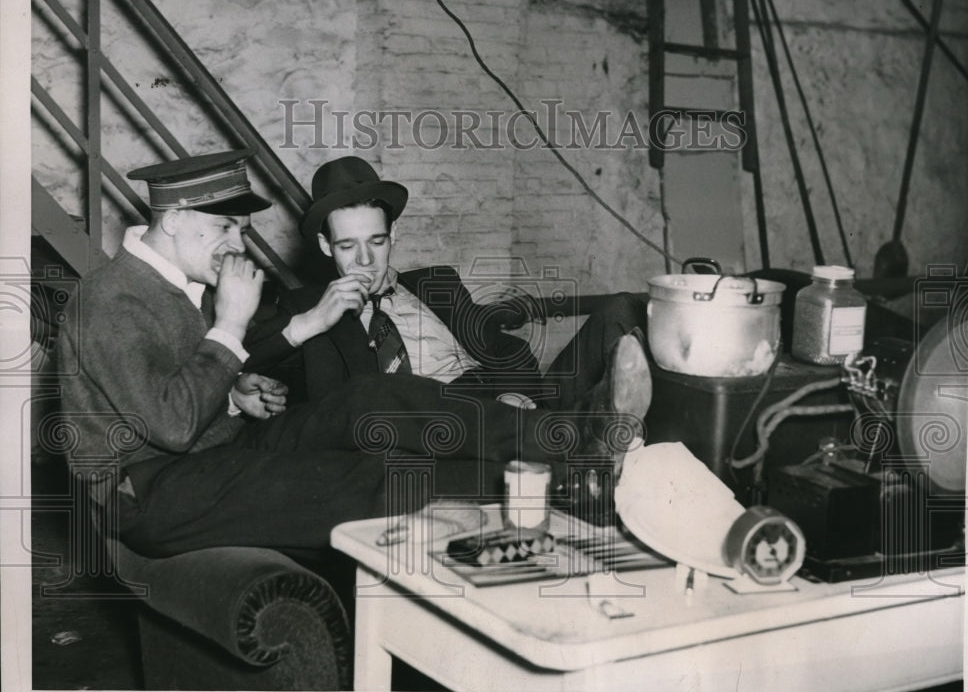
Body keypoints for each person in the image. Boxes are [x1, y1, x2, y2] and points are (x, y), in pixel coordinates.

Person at [57, 149, 652, 559]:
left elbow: (169, 389)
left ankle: (577, 437)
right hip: (151, 490)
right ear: (178, 220)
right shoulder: (108, 298)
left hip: (213, 446)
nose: (237, 245)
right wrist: (232, 325)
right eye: (227, 230)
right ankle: (568, 483)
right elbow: (170, 422)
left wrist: (234, 396)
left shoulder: (172, 286)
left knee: (371, 399)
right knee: (360, 477)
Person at [245, 156, 649, 414]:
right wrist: (315, 319)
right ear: (324, 245)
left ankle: (580, 425)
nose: (366, 260)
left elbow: (505, 348)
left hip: (509, 406)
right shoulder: (306, 308)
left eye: (377, 241)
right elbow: (247, 359)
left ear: (393, 236)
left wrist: (516, 395)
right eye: (348, 246)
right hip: (436, 423)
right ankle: (591, 427)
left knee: (622, 309)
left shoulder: (436, 285)